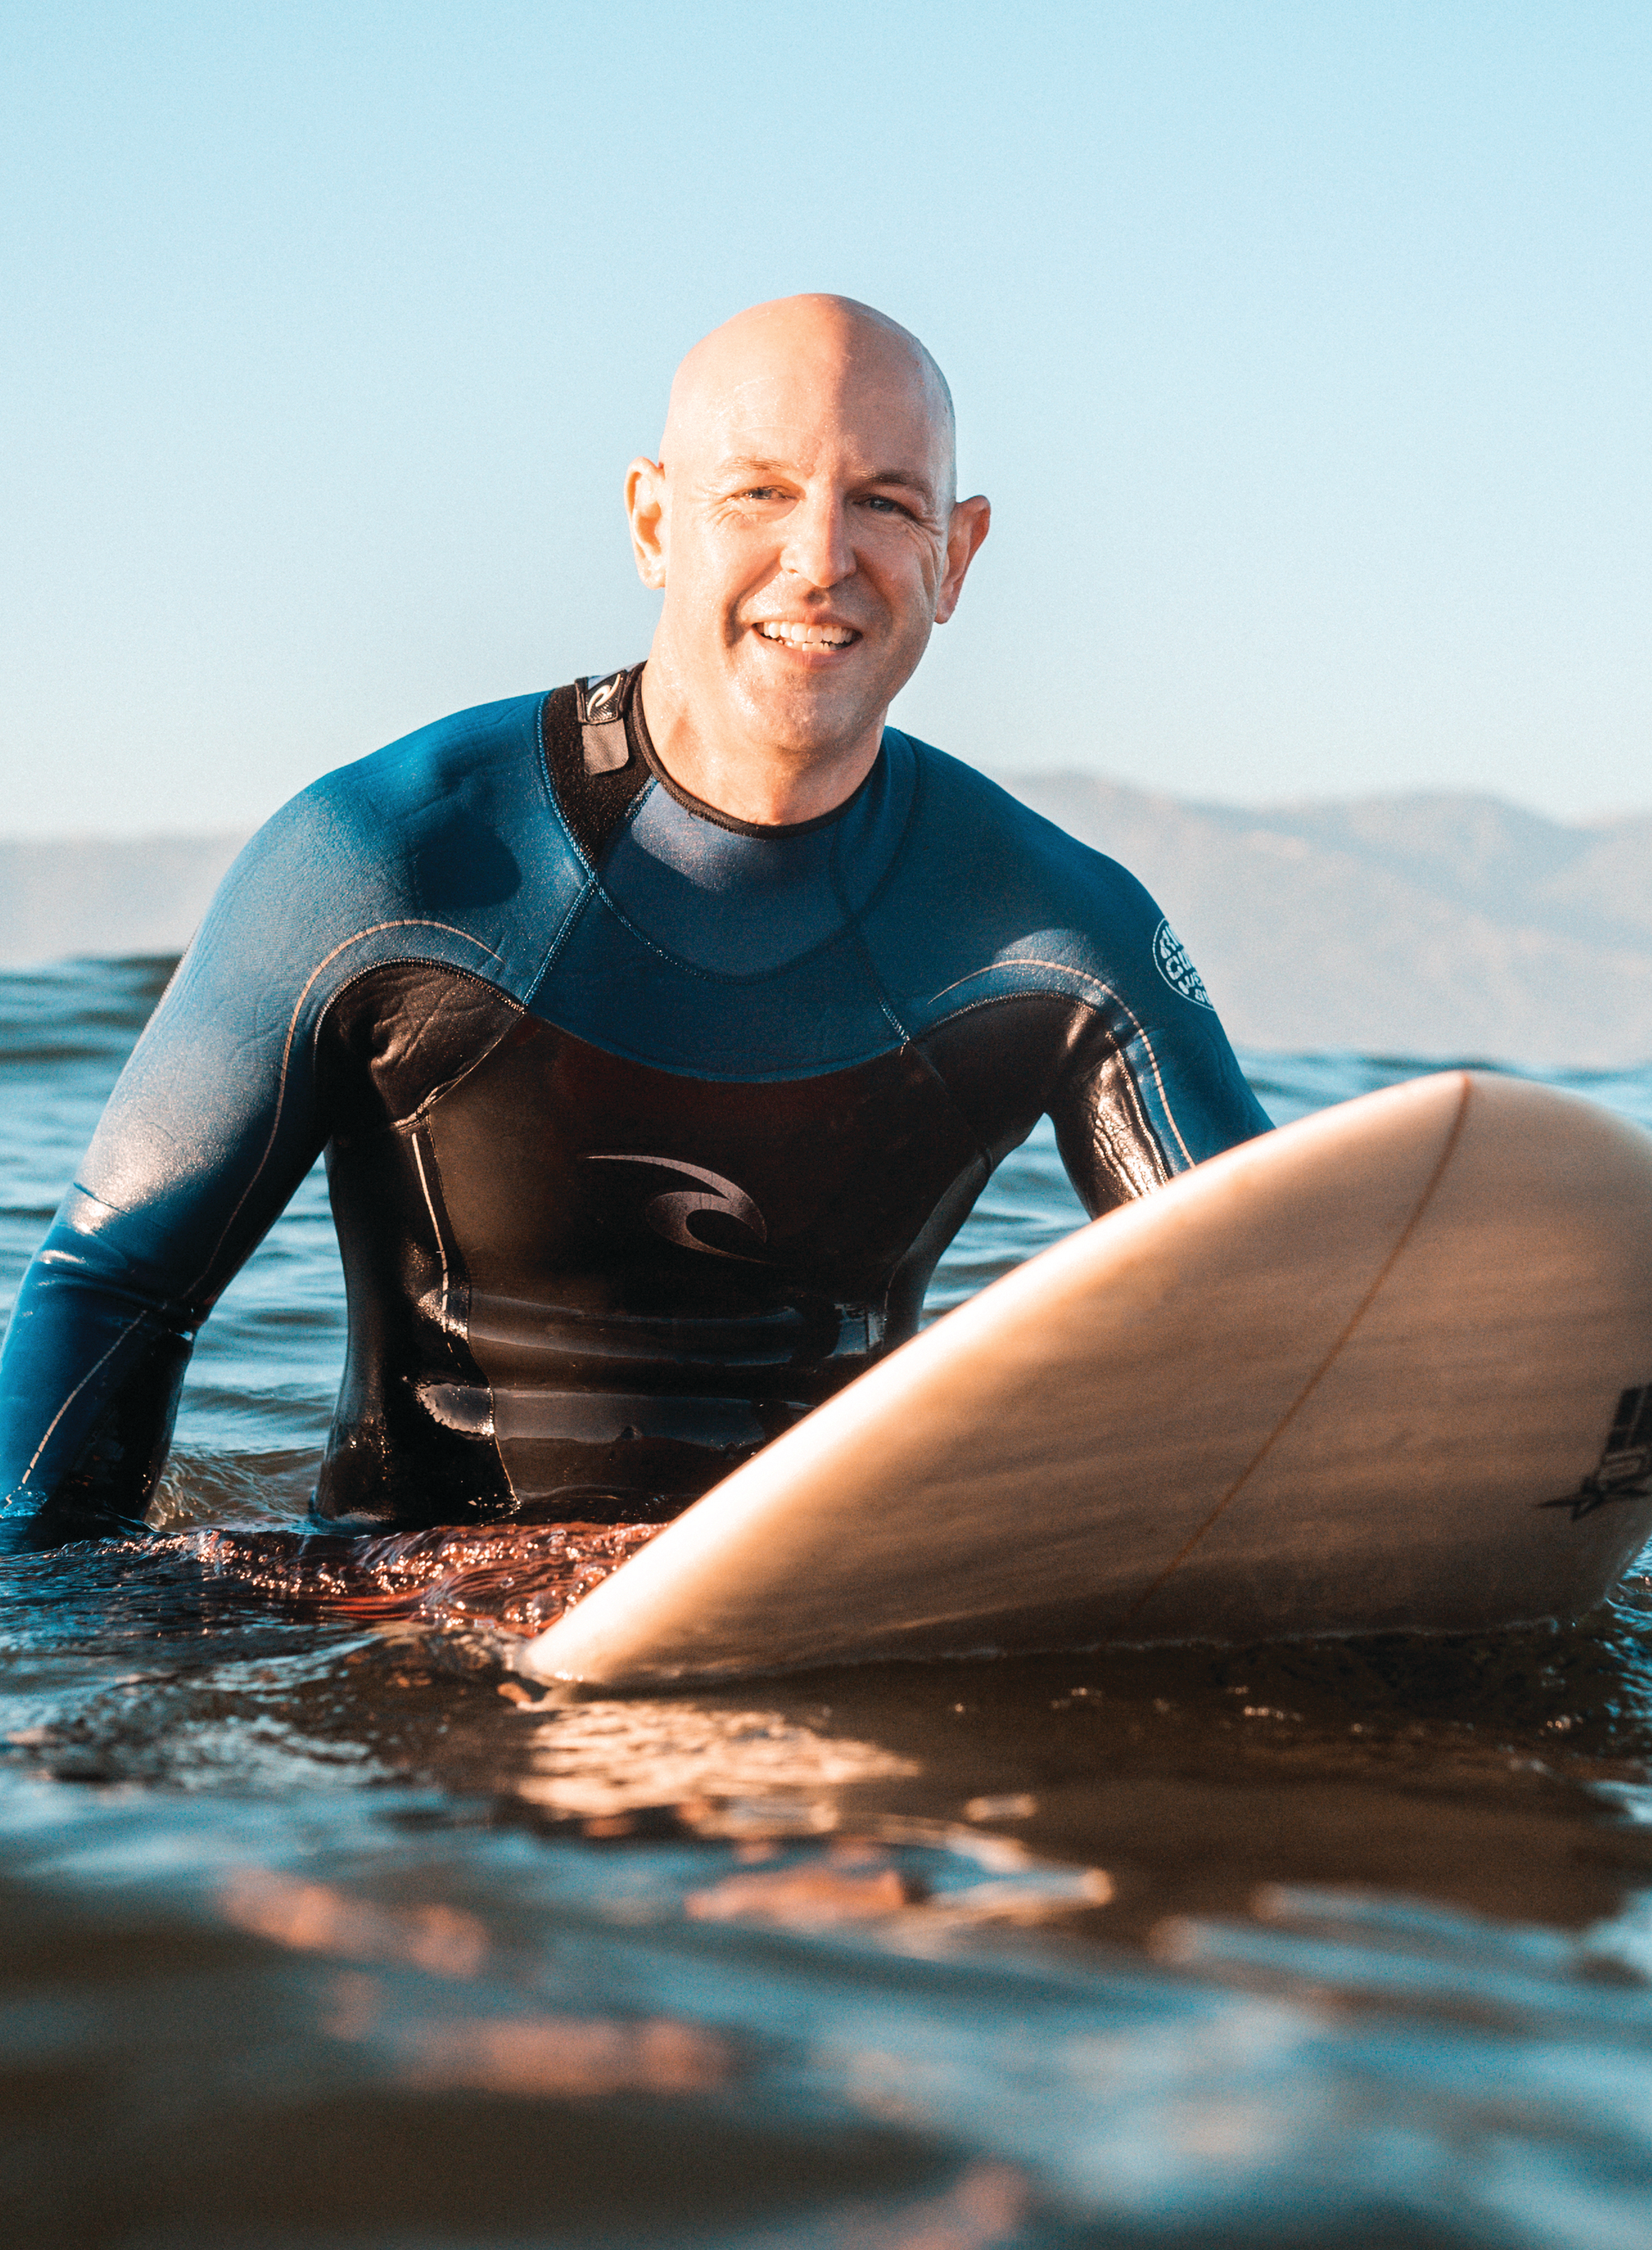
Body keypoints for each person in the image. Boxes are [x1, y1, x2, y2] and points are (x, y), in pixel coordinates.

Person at [0, 294, 1271, 1551]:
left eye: (885, 500)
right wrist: (79, 1643)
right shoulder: (389, 863)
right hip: (414, 1655)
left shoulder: (1057, 933)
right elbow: (112, 1286)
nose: (821, 557)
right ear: (654, 521)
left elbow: (1281, 1319)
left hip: (802, 1626)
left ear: (959, 553)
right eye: (760, 493)